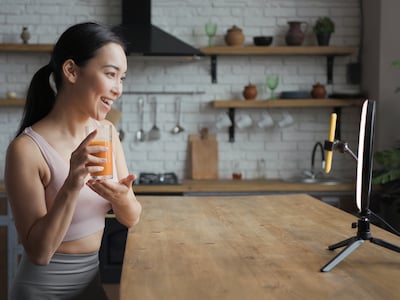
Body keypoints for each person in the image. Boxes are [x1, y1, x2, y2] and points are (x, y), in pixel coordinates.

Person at [4, 22, 142, 299]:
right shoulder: (26, 150)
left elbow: (131, 218)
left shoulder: (107, 134)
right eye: (111, 74)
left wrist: (122, 198)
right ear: (71, 71)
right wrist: (71, 184)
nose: (118, 89)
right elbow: (39, 253)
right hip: (41, 291)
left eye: (122, 78)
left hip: (91, 285)